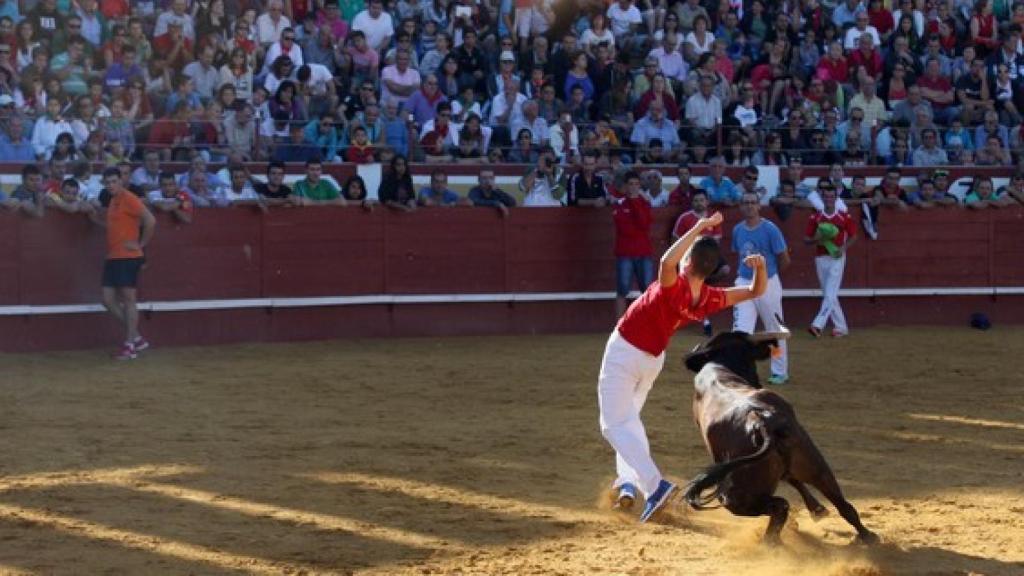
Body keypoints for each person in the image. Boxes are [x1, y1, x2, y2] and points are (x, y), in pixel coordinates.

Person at [598, 209, 767, 524]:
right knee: (628, 422)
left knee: (613, 425)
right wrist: (761, 267)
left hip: (625, 353)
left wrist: (700, 226)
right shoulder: (708, 298)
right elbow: (756, 291)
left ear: (688, 260)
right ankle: (628, 483)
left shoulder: (672, 284)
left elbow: (665, 262)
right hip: (651, 360)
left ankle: (654, 485)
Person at [95, 167, 156, 360]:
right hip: (114, 255)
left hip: (128, 256)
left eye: (114, 181)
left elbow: (150, 220)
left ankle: (129, 345)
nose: (111, 185)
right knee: (107, 299)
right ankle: (137, 338)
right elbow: (116, 226)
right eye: (108, 182)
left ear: (121, 180)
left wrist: (141, 244)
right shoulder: (113, 200)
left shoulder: (130, 198)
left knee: (129, 300)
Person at [731, 191, 790, 385]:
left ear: (759, 206)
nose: (749, 206)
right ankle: (740, 370)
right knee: (741, 330)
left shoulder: (770, 229)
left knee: (773, 329)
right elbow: (738, 255)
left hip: (768, 283)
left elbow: (784, 259)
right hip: (744, 283)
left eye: (753, 202)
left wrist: (769, 277)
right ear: (741, 207)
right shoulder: (738, 230)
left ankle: (779, 371)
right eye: (745, 202)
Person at [671, 189, 727, 336]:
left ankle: (704, 284)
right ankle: (705, 320)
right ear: (692, 202)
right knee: (694, 288)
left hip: (709, 256)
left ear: (707, 202)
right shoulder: (685, 218)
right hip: (689, 258)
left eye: (702, 200)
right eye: (696, 200)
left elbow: (717, 242)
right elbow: (675, 240)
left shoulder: (713, 218)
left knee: (725, 270)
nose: (699, 203)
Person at [804, 186, 857, 339]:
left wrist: (843, 248)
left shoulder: (844, 217)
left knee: (829, 293)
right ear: (822, 198)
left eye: (831, 196)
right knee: (829, 294)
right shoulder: (815, 218)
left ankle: (817, 325)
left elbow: (854, 236)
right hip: (821, 258)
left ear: (836, 198)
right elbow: (806, 239)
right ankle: (841, 327)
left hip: (837, 257)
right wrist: (816, 239)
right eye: (826, 196)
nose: (828, 199)